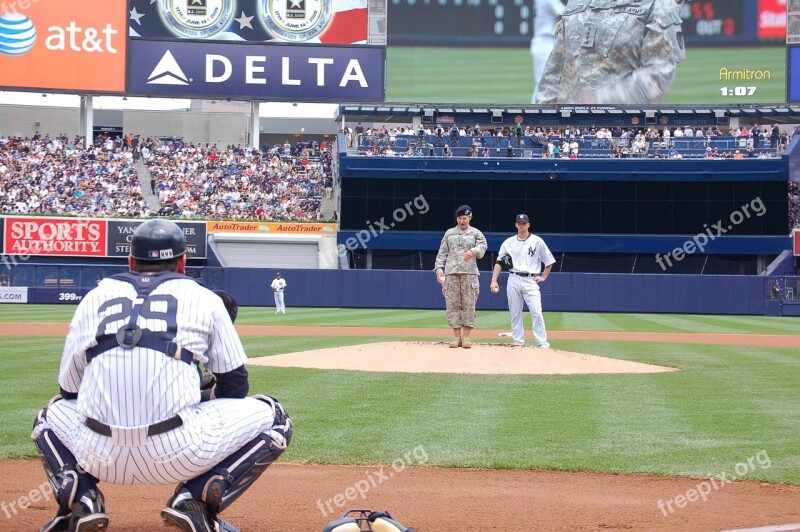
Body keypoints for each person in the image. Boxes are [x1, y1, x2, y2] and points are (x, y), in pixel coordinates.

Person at [31, 219, 292, 532]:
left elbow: (69, 391)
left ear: (130, 261)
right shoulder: (205, 298)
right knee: (276, 417)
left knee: (48, 414)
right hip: (180, 453)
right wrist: (198, 392)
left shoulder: (92, 298)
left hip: (96, 455)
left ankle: (81, 497)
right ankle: (194, 499)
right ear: (182, 263)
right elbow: (236, 387)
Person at [535, 0, 685, 104]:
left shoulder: (658, 5)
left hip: (624, 132)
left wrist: (598, 102)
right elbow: (554, 74)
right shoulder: (576, 3)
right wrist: (545, 124)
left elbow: (657, 76)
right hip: (569, 133)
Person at [490, 214, 556, 348]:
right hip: (513, 278)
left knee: (536, 312)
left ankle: (542, 343)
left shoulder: (537, 241)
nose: (521, 225)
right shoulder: (508, 242)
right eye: (519, 223)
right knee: (515, 313)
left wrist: (543, 277)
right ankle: (518, 342)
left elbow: (549, 261)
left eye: (523, 223)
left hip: (530, 279)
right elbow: (499, 262)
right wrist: (493, 280)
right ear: (516, 225)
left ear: (528, 225)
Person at [434, 205, 488, 349]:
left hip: (469, 274)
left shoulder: (476, 233)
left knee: (469, 305)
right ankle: (457, 336)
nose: (462, 221)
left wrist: (473, 251)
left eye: (464, 218)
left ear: (470, 217)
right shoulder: (449, 233)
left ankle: (467, 336)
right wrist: (439, 270)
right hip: (451, 274)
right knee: (452, 305)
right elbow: (442, 254)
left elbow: (483, 247)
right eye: (459, 218)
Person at [531, 0, 567, 103]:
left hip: (545, 41)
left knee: (545, 83)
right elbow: (564, 14)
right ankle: (534, 112)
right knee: (543, 84)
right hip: (546, 41)